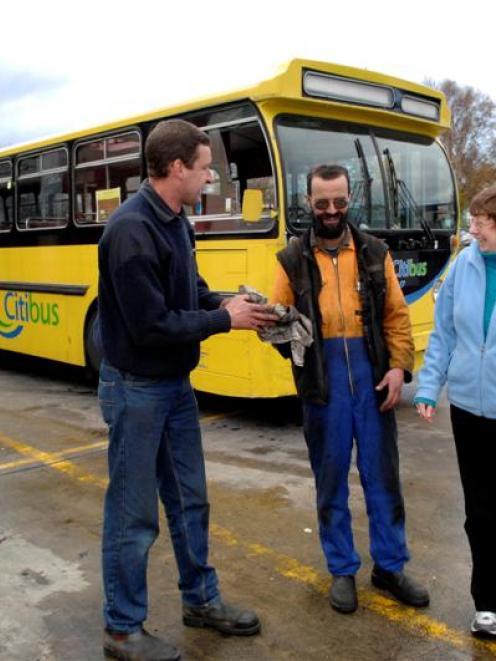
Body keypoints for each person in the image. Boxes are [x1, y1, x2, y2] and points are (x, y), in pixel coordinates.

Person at [97, 119, 278, 661]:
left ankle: (201, 600)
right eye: (204, 169)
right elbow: (150, 325)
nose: (210, 178)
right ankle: (123, 629)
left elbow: (192, 293)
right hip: (136, 390)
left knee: (191, 501)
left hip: (173, 387)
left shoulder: (178, 222)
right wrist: (226, 323)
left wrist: (232, 303)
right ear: (176, 168)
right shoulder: (131, 232)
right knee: (133, 516)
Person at [270, 164, 429, 614]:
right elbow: (278, 320)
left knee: (383, 478)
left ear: (349, 200)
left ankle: (390, 566)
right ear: (309, 203)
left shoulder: (375, 252)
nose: (332, 210)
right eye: (323, 203)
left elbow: (396, 316)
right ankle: (341, 569)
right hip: (324, 383)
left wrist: (399, 368)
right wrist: (283, 333)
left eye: (340, 201)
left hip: (373, 374)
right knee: (330, 478)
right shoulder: (291, 259)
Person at [415, 185, 496, 638]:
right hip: (468, 408)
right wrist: (429, 387)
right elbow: (443, 333)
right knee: (480, 512)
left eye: (482, 222)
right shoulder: (463, 266)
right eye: (474, 221)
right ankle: (487, 602)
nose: (473, 230)